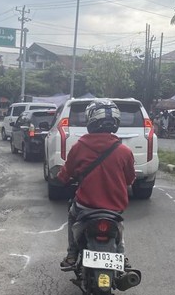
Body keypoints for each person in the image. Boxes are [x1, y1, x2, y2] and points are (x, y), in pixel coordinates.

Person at [56, 99, 136, 269]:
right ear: (116, 123)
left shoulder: (79, 147)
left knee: (72, 215)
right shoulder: (125, 152)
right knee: (119, 228)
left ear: (91, 121)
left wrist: (61, 179)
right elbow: (130, 179)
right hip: (115, 208)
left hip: (86, 206)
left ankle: (72, 254)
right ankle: (121, 256)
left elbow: (66, 173)